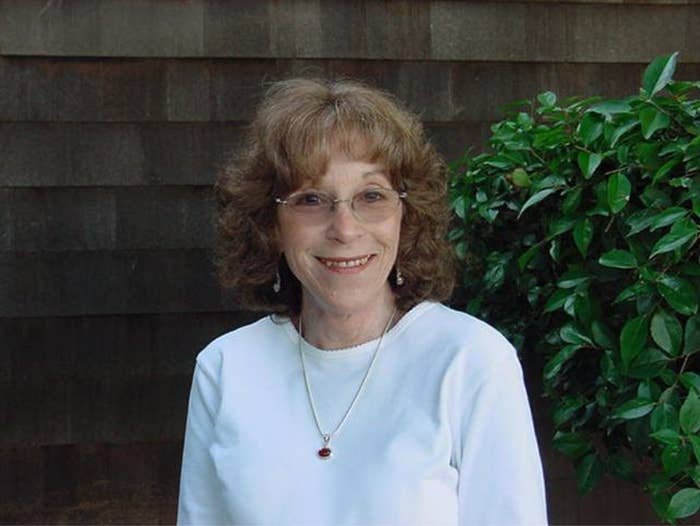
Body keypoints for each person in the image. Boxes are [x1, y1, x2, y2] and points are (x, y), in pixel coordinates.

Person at [177, 78, 547, 525]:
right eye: (311, 199)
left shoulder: (471, 361)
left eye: (371, 196)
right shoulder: (225, 368)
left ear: (405, 216)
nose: (345, 230)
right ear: (269, 223)